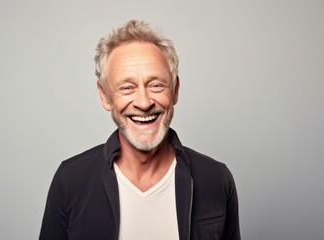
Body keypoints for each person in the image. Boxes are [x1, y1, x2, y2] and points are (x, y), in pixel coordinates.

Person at [39, 20, 240, 240]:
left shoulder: (216, 179)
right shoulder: (70, 180)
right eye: (127, 88)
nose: (144, 103)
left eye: (156, 85)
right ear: (104, 96)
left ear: (175, 91)